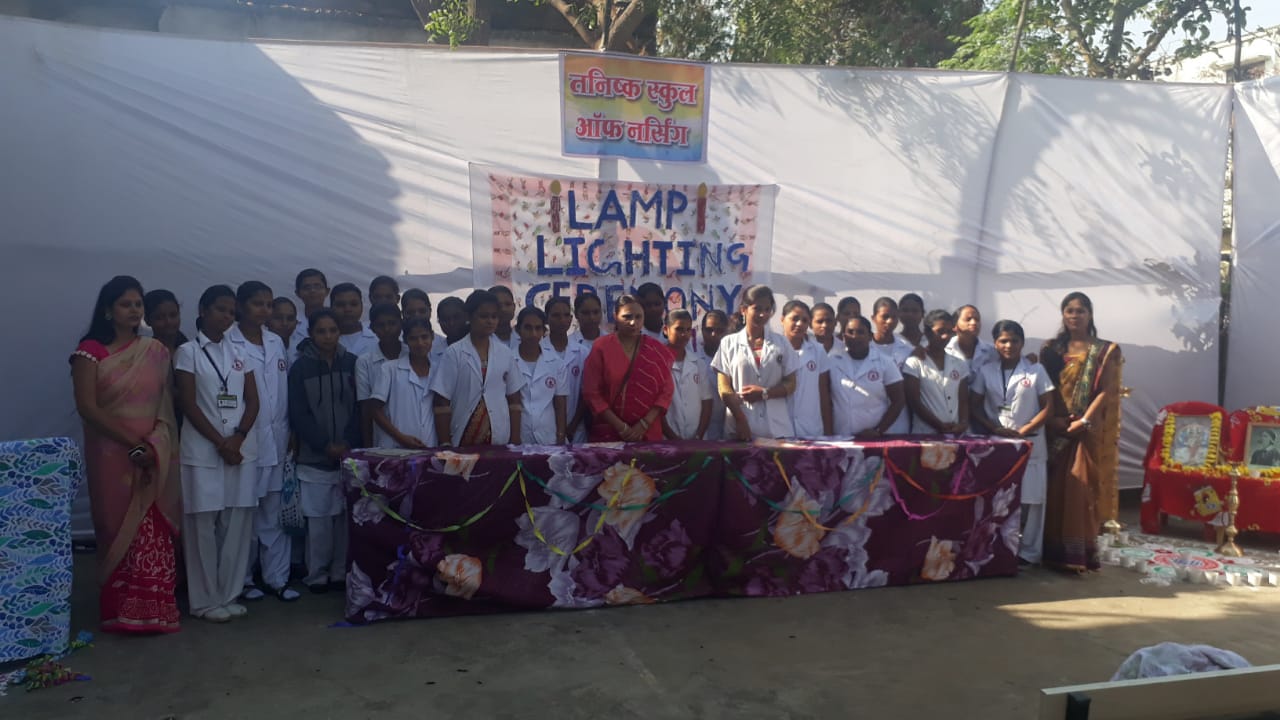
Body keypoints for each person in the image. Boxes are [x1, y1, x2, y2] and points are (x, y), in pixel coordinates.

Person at [71, 276, 181, 634]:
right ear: (108, 310)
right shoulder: (90, 351)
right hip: (111, 456)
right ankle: (119, 611)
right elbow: (87, 407)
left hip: (152, 455)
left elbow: (165, 408)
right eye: (125, 304)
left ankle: (155, 611)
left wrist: (153, 445)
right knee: (115, 526)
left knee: (151, 528)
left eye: (138, 304)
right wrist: (132, 443)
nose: (134, 310)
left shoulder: (155, 351)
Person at [174, 285, 260, 623]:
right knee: (202, 526)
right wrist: (220, 442)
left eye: (231, 311)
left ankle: (228, 594)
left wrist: (237, 438)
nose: (227, 316)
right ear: (203, 310)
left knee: (236, 523)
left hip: (239, 449)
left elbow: (253, 401)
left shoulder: (240, 352)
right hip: (203, 449)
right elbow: (187, 403)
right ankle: (204, 601)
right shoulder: (188, 352)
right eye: (220, 309)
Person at [1040, 291, 1122, 573]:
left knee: (1079, 488)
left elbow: (1106, 391)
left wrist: (1084, 421)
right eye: (1069, 310)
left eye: (1080, 310)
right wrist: (1052, 420)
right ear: (1063, 315)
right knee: (1053, 490)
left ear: (1090, 314)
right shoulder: (1050, 349)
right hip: (1055, 428)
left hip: (1084, 429)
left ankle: (1077, 555)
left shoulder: (1105, 350)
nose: (1075, 315)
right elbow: (1045, 388)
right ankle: (1050, 553)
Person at [227, 282, 299, 603]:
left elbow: (283, 393)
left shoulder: (276, 341)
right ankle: (242, 580)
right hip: (245, 440)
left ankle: (277, 579)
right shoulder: (229, 342)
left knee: (273, 513)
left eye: (268, 304)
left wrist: (291, 430)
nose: (265, 310)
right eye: (258, 304)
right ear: (241, 306)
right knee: (244, 515)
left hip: (279, 439)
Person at [288, 309, 360, 593]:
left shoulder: (352, 363)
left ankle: (340, 572)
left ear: (340, 332)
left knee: (343, 519)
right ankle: (316, 575)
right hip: (314, 457)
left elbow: (359, 408)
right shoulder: (300, 368)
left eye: (332, 330)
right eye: (321, 331)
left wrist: (347, 443)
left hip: (347, 455)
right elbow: (298, 413)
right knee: (318, 522)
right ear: (310, 334)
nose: (328, 336)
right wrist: (324, 444)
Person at [970, 320, 1054, 565]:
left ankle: (1029, 552)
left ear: (1022, 343)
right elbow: (974, 406)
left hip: (1030, 442)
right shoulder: (986, 370)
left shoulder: (1036, 370)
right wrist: (992, 428)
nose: (1009, 345)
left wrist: (1025, 430)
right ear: (995, 343)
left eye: (1014, 340)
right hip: (999, 443)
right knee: (998, 498)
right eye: (1003, 341)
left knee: (1032, 500)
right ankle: (996, 547)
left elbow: (1049, 407)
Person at [432, 290, 525, 446]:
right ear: (469, 317)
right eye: (483, 316)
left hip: (499, 439)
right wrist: (445, 443)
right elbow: (442, 401)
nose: (490, 321)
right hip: (462, 438)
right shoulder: (454, 353)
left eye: (494, 316)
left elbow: (514, 398)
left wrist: (515, 440)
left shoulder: (505, 354)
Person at [581, 294, 673, 442]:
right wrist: (621, 427)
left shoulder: (657, 350)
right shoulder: (601, 348)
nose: (633, 322)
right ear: (615, 317)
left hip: (647, 433)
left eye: (638, 317)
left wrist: (644, 424)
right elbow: (592, 393)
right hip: (609, 433)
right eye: (627, 317)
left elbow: (666, 391)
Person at [713, 285, 798, 441]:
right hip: (740, 429)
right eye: (757, 308)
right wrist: (740, 418)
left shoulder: (782, 343)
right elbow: (723, 387)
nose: (762, 314)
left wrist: (765, 393)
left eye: (767, 309)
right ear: (744, 310)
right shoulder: (728, 343)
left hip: (777, 429)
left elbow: (791, 383)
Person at [828, 315, 905, 438]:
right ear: (843, 337)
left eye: (860, 332)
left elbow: (898, 400)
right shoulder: (832, 361)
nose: (855, 336)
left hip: (874, 438)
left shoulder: (885, 362)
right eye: (850, 332)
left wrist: (878, 430)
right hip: (841, 436)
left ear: (870, 336)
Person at [370, 318, 438, 449]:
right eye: (413, 339)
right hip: (394, 447)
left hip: (429, 446)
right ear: (405, 340)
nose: (420, 343)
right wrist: (400, 437)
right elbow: (375, 409)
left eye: (424, 337)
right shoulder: (389, 369)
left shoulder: (439, 369)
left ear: (432, 336)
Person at [903, 309, 969, 435]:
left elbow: (963, 400)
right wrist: (939, 425)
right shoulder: (914, 363)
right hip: (926, 434)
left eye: (949, 332)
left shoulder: (959, 363)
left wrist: (963, 424)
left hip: (955, 433)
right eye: (940, 331)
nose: (945, 336)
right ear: (927, 333)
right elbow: (914, 402)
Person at [356, 303, 408, 446]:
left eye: (392, 323)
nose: (387, 329)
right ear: (372, 328)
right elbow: (366, 409)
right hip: (382, 439)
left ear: (401, 324)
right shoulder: (364, 362)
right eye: (381, 325)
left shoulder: (413, 354)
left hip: (415, 433)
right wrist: (367, 447)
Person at [780, 300, 833, 438]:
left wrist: (828, 433)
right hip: (780, 428)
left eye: (804, 320)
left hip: (811, 429)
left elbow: (823, 394)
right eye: (794, 319)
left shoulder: (818, 351)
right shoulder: (772, 349)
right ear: (782, 319)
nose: (799, 324)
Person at [514, 307, 567, 445]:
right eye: (528, 328)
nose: (533, 334)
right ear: (518, 330)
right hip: (519, 435)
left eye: (538, 328)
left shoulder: (556, 363)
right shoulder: (508, 360)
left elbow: (560, 404)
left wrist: (561, 436)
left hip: (549, 436)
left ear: (544, 331)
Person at [662, 309, 712, 440]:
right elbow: (654, 409)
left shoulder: (698, 363)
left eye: (688, 329)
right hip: (667, 439)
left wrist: (698, 436)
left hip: (696, 439)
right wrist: (672, 437)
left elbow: (707, 401)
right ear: (666, 330)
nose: (684, 334)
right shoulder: (657, 362)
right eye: (679, 329)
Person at [545, 297, 589, 443]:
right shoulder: (539, 351)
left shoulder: (582, 352)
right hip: (547, 429)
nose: (562, 320)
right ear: (547, 318)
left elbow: (586, 393)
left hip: (576, 428)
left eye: (566, 315)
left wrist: (573, 425)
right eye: (556, 315)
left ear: (571, 319)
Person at [869, 297, 914, 433]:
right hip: (870, 415)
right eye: (885, 317)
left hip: (899, 418)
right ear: (873, 318)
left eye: (894, 317)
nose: (889, 321)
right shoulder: (863, 347)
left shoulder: (907, 349)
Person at [947, 304, 998, 383]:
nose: (974, 323)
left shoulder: (992, 351)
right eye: (968, 319)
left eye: (977, 319)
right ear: (954, 325)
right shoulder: (945, 349)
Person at [701, 310, 730, 440]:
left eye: (720, 330)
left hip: (729, 425)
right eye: (709, 330)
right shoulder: (694, 359)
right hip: (701, 428)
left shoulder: (735, 359)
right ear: (702, 331)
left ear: (727, 332)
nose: (714, 335)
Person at [329, 282, 377, 357]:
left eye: (354, 304)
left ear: (362, 306)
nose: (347, 309)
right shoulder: (324, 340)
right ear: (331, 308)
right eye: (340, 305)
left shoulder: (377, 337)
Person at [142, 289, 188, 354]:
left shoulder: (194, 350)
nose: (168, 322)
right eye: (160, 318)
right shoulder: (141, 354)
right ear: (147, 320)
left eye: (173, 315)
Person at [292, 268, 329, 348]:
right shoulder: (291, 323)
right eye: (306, 287)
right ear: (298, 293)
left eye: (317, 286)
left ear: (327, 291)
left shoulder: (337, 321)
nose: (312, 291)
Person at [268, 297, 299, 367]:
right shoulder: (257, 349)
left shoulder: (301, 350)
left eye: (290, 318)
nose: (285, 323)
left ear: (296, 323)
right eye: (278, 318)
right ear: (267, 320)